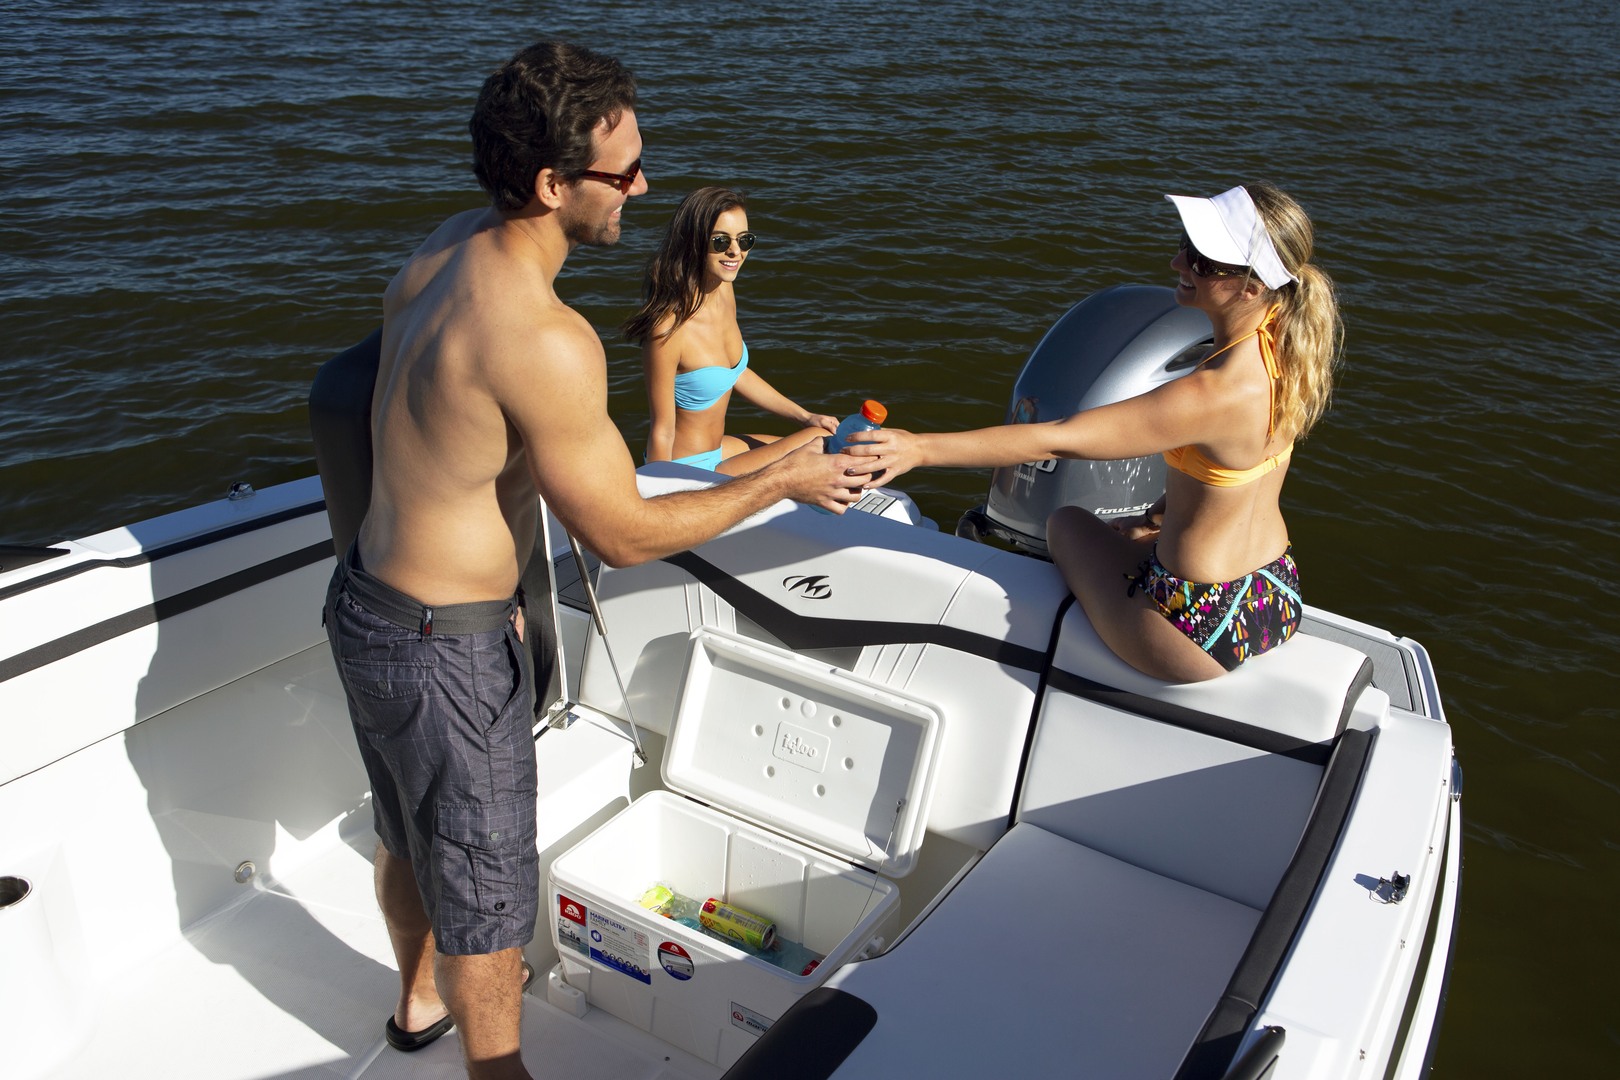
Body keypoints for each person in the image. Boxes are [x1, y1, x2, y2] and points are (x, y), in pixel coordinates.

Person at [320, 41, 862, 1080]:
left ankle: (417, 1002)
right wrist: (782, 480)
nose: (643, 190)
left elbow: (450, 432)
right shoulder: (547, 337)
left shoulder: (442, 248)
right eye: (626, 171)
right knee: (488, 898)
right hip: (443, 650)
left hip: (366, 603)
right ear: (551, 184)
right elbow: (622, 534)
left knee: (406, 829)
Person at [844, 183, 1341, 682]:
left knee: (1065, 524)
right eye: (1186, 247)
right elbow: (1222, 475)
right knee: (1129, 529)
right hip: (1274, 590)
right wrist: (1153, 518)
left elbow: (1057, 437)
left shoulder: (1210, 393)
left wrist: (917, 448)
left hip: (1194, 624)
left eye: (1201, 262)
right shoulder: (1289, 354)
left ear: (1251, 287)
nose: (1177, 263)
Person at [624, 187, 837, 474]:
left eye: (744, 240)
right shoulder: (668, 330)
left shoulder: (724, 289)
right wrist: (666, 491)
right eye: (721, 241)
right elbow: (662, 431)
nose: (735, 251)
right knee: (821, 441)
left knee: (818, 433)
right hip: (688, 469)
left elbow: (736, 373)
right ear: (694, 242)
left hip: (720, 452)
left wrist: (805, 416)